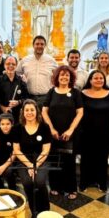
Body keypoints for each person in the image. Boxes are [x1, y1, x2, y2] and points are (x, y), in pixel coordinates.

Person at [42, 65, 83, 199]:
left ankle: (71, 188)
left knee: (69, 162)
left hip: (69, 133)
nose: (64, 77)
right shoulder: (51, 92)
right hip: (53, 133)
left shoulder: (76, 93)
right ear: (57, 77)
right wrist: (51, 128)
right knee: (54, 160)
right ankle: (55, 187)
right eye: (62, 75)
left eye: (67, 75)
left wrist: (71, 129)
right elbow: (44, 111)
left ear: (70, 77)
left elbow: (80, 112)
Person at [12, 100, 52, 218]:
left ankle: (45, 209)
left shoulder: (44, 127)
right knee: (28, 183)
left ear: (37, 111)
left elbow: (46, 150)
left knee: (39, 182)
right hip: (24, 160)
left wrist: (35, 165)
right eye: (27, 110)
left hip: (41, 159)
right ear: (22, 112)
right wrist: (29, 165)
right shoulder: (17, 128)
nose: (29, 113)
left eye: (32, 110)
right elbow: (17, 150)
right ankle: (34, 209)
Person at [80, 70, 109, 192]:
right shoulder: (82, 93)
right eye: (96, 78)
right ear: (90, 80)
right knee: (86, 158)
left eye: (101, 78)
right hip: (86, 133)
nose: (99, 80)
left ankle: (101, 182)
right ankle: (84, 182)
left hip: (105, 133)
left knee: (102, 158)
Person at [16, 35, 57, 104]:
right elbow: (17, 73)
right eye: (37, 44)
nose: (39, 46)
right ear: (33, 45)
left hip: (46, 97)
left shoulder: (51, 60)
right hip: (29, 97)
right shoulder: (25, 60)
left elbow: (58, 76)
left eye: (42, 44)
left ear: (45, 46)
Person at [0, 56, 28, 122]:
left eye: (13, 64)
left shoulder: (21, 81)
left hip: (18, 117)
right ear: (4, 65)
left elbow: (27, 98)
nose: (11, 66)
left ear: (16, 65)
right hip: (1, 117)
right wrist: (3, 108)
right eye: (8, 64)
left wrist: (18, 102)